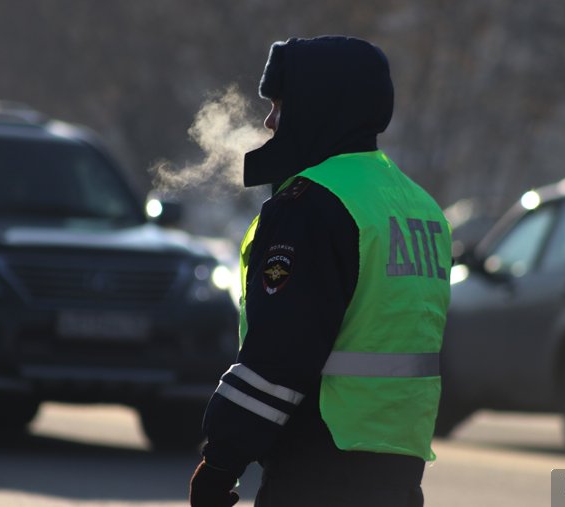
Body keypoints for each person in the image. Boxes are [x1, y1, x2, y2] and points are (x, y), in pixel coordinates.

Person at [189, 35, 452, 507]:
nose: (269, 121)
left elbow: (278, 357)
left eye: (280, 104)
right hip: (398, 472)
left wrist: (220, 463)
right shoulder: (420, 206)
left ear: (319, 106)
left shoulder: (309, 206)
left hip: (318, 467)